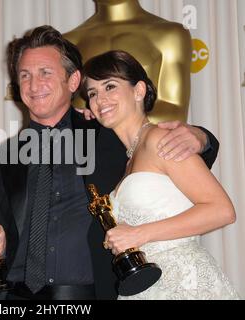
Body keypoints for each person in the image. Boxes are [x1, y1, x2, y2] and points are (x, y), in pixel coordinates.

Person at [0, 25, 219, 300]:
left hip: (92, 295)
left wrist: (201, 137)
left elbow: (159, 148)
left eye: (45, 73)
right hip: (17, 300)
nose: (34, 85)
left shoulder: (108, 134)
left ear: (73, 80)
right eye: (25, 75)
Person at [80, 49, 239, 299]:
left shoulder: (160, 139)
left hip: (184, 284)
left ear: (139, 91)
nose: (100, 99)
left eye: (110, 86)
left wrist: (140, 233)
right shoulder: (130, 158)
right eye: (92, 93)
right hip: (146, 287)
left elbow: (222, 210)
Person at [64, 0, 191, 123]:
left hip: (146, 142)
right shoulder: (66, 43)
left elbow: (174, 111)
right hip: (85, 143)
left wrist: (111, 128)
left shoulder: (170, 35)